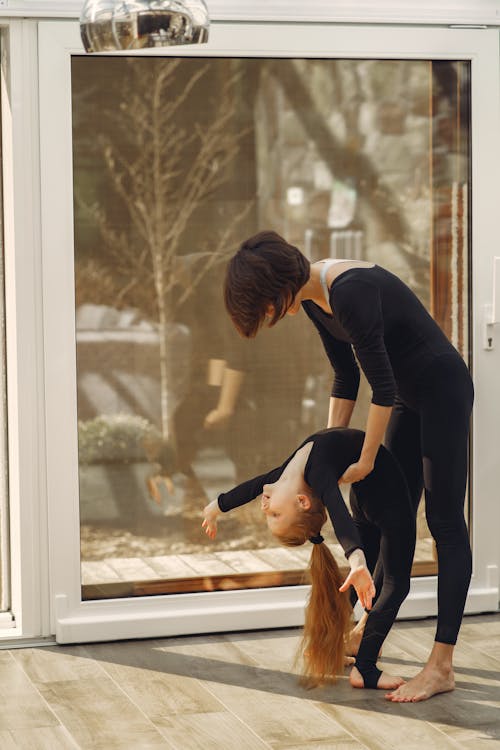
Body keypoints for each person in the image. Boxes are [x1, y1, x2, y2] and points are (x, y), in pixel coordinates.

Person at [223, 230, 474, 702]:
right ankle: (363, 631)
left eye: (266, 308)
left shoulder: (350, 290)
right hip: (405, 396)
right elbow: (345, 375)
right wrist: (327, 448)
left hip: (441, 390)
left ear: (279, 287)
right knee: (378, 513)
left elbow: (377, 387)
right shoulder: (315, 300)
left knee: (444, 523)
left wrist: (363, 457)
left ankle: (442, 665)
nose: (272, 318)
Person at [202, 427, 415, 690]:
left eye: (271, 516)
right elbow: (339, 515)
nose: (265, 508)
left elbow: (249, 488)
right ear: (302, 501)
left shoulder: (283, 475)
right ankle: (365, 670)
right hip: (386, 496)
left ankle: (324, 646)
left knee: (377, 575)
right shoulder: (315, 475)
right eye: (275, 516)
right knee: (396, 584)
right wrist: (356, 560)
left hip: (367, 496)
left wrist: (216, 507)